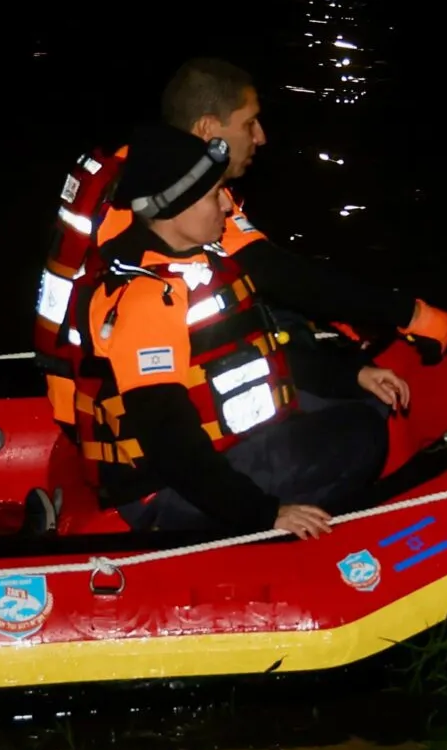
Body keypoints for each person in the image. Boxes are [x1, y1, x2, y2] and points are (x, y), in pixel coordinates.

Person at [33, 57, 447, 434]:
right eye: (248, 123)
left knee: (284, 318)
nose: (261, 137)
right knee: (360, 416)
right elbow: (276, 273)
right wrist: (408, 312)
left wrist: (345, 318)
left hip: (89, 393)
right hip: (129, 415)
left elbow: (262, 275)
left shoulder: (140, 171)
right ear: (207, 131)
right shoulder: (174, 203)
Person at [78, 123, 409, 537]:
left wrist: (353, 373)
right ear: (177, 206)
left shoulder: (202, 264)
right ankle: (278, 542)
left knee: (367, 401)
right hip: (166, 492)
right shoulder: (148, 302)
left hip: (224, 440)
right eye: (216, 194)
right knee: (362, 436)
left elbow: (256, 354)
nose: (227, 207)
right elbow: (169, 442)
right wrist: (265, 513)